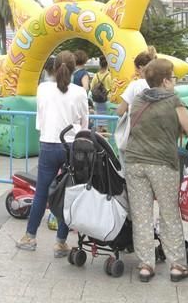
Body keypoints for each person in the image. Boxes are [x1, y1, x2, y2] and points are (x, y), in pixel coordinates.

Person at [124, 58, 188, 283]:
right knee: (168, 213)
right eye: (174, 78)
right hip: (162, 164)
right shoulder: (173, 101)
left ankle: (146, 264)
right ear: (166, 80)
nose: (175, 82)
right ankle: (177, 264)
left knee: (141, 215)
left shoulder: (138, 100)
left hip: (134, 162)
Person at [16, 51, 89, 257]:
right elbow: (84, 122)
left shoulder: (43, 88)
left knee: (41, 191)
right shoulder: (79, 92)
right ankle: (60, 242)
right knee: (68, 192)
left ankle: (30, 237)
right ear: (75, 68)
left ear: (54, 67)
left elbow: (41, 115)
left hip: (48, 143)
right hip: (71, 145)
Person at [116, 46, 157, 117]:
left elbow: (120, 111)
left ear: (140, 68)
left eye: (135, 69)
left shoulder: (135, 85)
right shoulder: (161, 83)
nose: (135, 73)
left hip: (137, 126)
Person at [89, 55, 112, 131]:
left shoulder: (96, 76)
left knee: (98, 120)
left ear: (100, 64)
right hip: (107, 101)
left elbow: (91, 88)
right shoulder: (110, 76)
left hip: (97, 101)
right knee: (106, 122)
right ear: (108, 64)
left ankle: (99, 133)